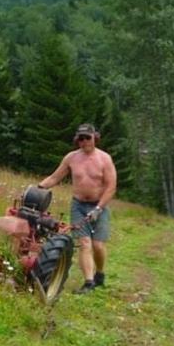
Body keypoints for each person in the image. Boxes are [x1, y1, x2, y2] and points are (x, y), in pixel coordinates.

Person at [37, 123, 117, 294]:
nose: (84, 141)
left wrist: (98, 208)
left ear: (95, 137)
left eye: (87, 137)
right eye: (80, 138)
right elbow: (55, 177)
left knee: (98, 245)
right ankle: (88, 282)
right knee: (84, 243)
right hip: (78, 205)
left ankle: (100, 273)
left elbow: (111, 187)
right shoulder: (71, 158)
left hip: (99, 206)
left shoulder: (105, 159)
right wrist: (39, 187)